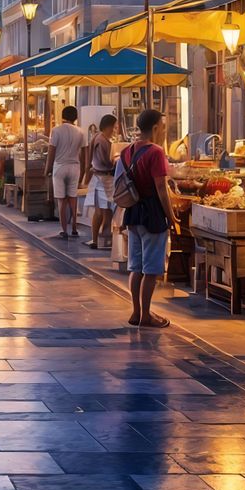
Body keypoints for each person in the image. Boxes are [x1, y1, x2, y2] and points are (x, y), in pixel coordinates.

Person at [119, 108, 177, 328]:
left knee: (135, 266)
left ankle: (135, 312)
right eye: (162, 126)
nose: (163, 130)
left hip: (133, 212)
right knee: (151, 269)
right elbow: (161, 188)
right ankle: (146, 315)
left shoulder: (126, 151)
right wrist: (171, 216)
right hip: (152, 213)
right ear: (154, 127)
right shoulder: (155, 152)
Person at [48, 105, 85, 240]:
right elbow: (84, 153)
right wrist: (85, 170)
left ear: (62, 116)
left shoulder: (56, 131)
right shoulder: (81, 132)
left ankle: (64, 229)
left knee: (61, 200)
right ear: (76, 117)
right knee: (73, 197)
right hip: (75, 167)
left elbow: (51, 152)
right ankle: (74, 227)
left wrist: (47, 169)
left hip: (59, 167)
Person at [84, 114, 118, 252]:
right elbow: (105, 161)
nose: (115, 129)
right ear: (109, 126)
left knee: (105, 210)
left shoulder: (99, 138)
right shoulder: (102, 140)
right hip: (102, 178)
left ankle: (102, 238)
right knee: (102, 210)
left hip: (102, 178)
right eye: (114, 126)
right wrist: (115, 161)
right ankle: (98, 239)